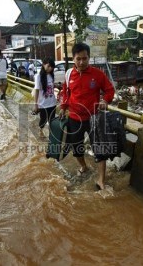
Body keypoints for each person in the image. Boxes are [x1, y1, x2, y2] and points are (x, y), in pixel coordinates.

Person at [58, 43, 115, 191]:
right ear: (73, 59)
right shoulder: (69, 74)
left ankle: (101, 180)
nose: (82, 62)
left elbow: (109, 90)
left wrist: (105, 100)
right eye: (78, 59)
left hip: (93, 118)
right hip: (74, 118)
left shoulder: (98, 74)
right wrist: (63, 107)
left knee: (100, 148)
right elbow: (65, 93)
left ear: (89, 58)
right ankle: (84, 166)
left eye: (85, 58)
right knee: (76, 149)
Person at [33, 58, 56, 138]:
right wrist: (36, 105)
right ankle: (41, 131)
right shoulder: (38, 76)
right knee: (43, 121)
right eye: (49, 66)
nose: (51, 68)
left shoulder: (51, 75)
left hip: (52, 103)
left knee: (52, 122)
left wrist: (57, 85)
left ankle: (51, 137)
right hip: (43, 105)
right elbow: (36, 91)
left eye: (52, 67)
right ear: (43, 64)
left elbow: (51, 87)